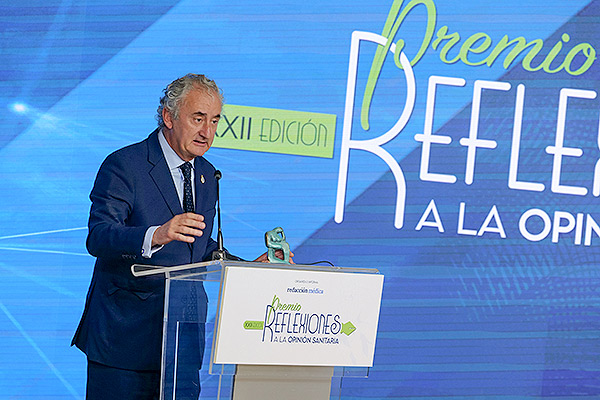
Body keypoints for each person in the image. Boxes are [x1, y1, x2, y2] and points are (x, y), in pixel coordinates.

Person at [72, 74, 269, 399]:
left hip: (183, 340)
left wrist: (247, 267)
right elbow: (99, 236)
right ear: (168, 116)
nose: (207, 132)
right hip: (126, 339)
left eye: (215, 121)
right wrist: (156, 234)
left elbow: (197, 246)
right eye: (198, 119)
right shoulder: (125, 165)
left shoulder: (207, 173)